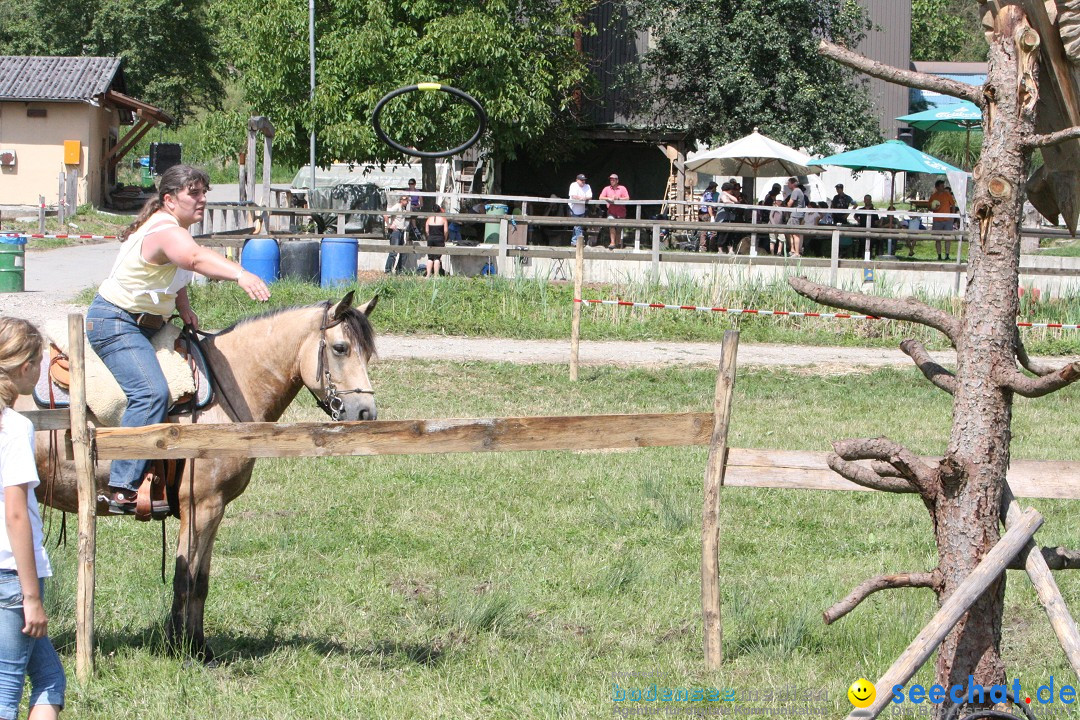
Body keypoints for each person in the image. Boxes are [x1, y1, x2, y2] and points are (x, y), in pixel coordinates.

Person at [87, 165, 271, 514]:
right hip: (116, 323)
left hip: (146, 324)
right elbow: (194, 259)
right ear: (169, 200)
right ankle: (121, 485)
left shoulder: (175, 228)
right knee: (150, 392)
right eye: (194, 193)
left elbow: (176, 271)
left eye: (204, 192)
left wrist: (183, 306)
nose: (202, 200)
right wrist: (241, 274)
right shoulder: (165, 230)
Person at [0, 317, 66, 719]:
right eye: (40, 362)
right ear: (25, 368)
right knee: (7, 689)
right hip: (11, 574)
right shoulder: (14, 428)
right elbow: (15, 514)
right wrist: (31, 597)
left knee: (49, 679)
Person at [929, 179, 958, 260]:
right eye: (942, 186)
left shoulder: (947, 195)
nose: (943, 187)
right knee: (937, 239)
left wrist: (952, 216)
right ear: (937, 187)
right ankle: (939, 255)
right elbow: (929, 207)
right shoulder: (933, 196)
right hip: (937, 220)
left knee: (947, 238)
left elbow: (953, 205)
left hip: (947, 220)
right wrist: (933, 207)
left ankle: (947, 255)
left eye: (943, 186)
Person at [599, 174, 629, 249]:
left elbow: (627, 198)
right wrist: (608, 198)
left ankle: (617, 243)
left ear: (617, 180)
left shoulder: (622, 188)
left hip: (621, 212)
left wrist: (618, 198)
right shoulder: (607, 188)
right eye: (611, 179)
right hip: (611, 212)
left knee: (619, 229)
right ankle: (612, 242)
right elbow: (600, 197)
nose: (612, 181)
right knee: (611, 225)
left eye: (613, 179)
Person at [384, 194, 411, 273]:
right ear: (401, 200)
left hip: (401, 231)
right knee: (393, 252)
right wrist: (389, 225)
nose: (407, 202)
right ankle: (388, 270)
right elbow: (386, 215)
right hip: (396, 231)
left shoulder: (402, 208)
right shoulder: (397, 206)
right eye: (406, 200)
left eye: (407, 200)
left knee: (403, 251)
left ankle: (399, 270)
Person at [568, 174, 592, 247]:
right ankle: (581, 242)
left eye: (584, 180)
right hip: (573, 208)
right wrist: (582, 198)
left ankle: (574, 242)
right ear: (577, 180)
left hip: (582, 209)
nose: (583, 181)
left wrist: (583, 198)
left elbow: (590, 196)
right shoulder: (573, 185)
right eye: (581, 180)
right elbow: (573, 196)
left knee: (578, 225)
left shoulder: (587, 186)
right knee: (577, 225)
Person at [424, 204, 448, 278]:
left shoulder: (429, 219)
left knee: (430, 257)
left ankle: (428, 275)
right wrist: (445, 238)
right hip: (439, 238)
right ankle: (436, 275)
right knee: (437, 257)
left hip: (431, 238)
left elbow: (426, 230)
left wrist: (429, 236)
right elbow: (446, 231)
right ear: (440, 210)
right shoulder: (443, 219)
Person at [784, 177, 806, 257]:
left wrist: (786, 205)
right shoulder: (799, 191)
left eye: (789, 183)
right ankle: (792, 249)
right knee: (790, 232)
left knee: (795, 234)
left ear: (793, 184)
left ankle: (797, 252)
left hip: (795, 215)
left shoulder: (795, 191)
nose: (788, 185)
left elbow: (789, 203)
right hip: (798, 215)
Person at [698, 181, 718, 251]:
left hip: (702, 213)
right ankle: (711, 247)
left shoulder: (705, 193)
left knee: (704, 230)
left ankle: (702, 247)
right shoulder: (708, 194)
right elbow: (709, 206)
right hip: (706, 213)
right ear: (713, 188)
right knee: (713, 231)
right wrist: (712, 216)